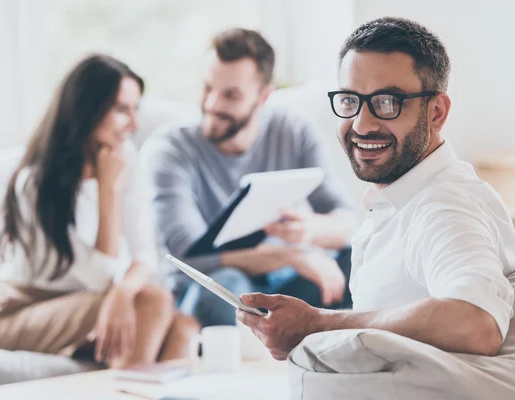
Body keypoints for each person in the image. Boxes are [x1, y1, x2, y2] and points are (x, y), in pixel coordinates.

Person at [237, 17, 515, 359]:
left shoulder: (444, 207)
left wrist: (318, 324)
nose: (362, 124)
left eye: (387, 102)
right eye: (349, 100)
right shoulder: (402, 199)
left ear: (437, 112)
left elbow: (477, 322)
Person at [0, 54, 199, 368]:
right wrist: (108, 190)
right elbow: (99, 277)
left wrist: (122, 294)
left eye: (135, 110)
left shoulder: (126, 158)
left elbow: (145, 256)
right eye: (122, 110)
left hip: (86, 303)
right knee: (153, 301)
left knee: (185, 327)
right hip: (16, 312)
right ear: (87, 109)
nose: (134, 125)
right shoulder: (35, 183)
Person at [142, 28, 356, 328]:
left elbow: (348, 220)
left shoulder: (294, 131)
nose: (213, 104)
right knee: (226, 285)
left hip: (284, 283)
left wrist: (309, 230)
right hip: (213, 288)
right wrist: (290, 256)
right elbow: (188, 256)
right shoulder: (169, 151)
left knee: (354, 263)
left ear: (263, 96)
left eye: (230, 95)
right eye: (207, 88)